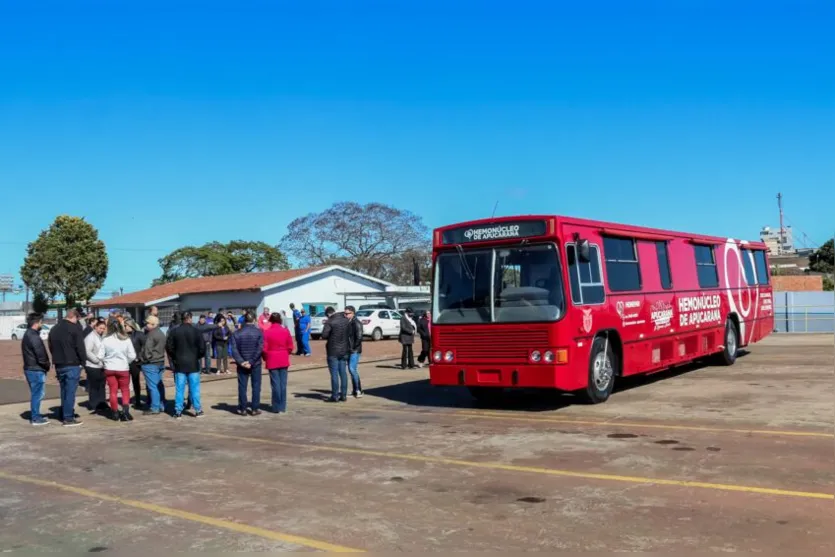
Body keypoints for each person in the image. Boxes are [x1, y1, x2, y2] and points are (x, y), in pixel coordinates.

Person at [48, 308, 87, 426]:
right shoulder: (75, 328)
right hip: (72, 363)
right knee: (70, 391)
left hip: (59, 363)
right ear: (74, 317)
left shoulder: (54, 329)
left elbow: (50, 345)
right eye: (77, 319)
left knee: (64, 390)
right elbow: (80, 347)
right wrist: (83, 362)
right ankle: (68, 417)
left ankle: (64, 412)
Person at [166, 311, 205, 418]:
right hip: (193, 364)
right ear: (190, 319)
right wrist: (196, 356)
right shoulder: (196, 331)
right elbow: (202, 348)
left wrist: (175, 357)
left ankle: (178, 411)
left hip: (179, 364)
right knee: (195, 388)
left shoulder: (174, 331)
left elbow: (169, 347)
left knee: (180, 389)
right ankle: (198, 410)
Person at [99, 320, 137, 422]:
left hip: (110, 368)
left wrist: (106, 361)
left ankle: (115, 413)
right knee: (125, 390)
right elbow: (133, 355)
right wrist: (126, 361)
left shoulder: (105, 339)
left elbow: (100, 356)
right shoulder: (126, 339)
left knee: (113, 391)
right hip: (123, 368)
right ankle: (125, 412)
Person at [231, 311, 265, 416]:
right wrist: (251, 361)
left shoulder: (236, 333)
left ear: (244, 320)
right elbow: (259, 349)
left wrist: (241, 362)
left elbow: (234, 350)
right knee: (256, 386)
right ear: (254, 320)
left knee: (242, 386)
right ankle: (255, 408)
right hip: (255, 363)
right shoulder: (259, 332)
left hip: (242, 363)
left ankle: (243, 408)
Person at [21, 312, 51, 426]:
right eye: (41, 322)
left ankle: (36, 415)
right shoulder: (33, 335)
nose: (42, 324)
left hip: (32, 368)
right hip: (35, 369)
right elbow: (40, 354)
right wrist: (46, 365)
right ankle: (35, 417)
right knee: (37, 394)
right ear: (37, 322)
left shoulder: (29, 334)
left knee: (37, 393)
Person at [263, 312, 294, 413]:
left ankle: (276, 406)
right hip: (283, 357)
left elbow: (264, 348)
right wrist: (285, 353)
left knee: (275, 383)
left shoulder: (266, 332)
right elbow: (290, 346)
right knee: (283, 384)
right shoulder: (285, 331)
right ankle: (282, 406)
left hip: (272, 358)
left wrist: (266, 357)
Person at [321, 306, 351, 402]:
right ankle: (344, 395)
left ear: (328, 314)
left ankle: (335, 396)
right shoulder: (345, 320)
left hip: (333, 350)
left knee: (334, 374)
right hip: (344, 350)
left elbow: (324, 335)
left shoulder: (330, 322)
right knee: (343, 373)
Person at [140, 315, 167, 415]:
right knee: (159, 384)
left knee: (153, 386)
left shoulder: (151, 334)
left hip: (151, 363)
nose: (146, 325)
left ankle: (155, 407)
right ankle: (161, 405)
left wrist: (143, 359)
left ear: (152, 324)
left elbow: (147, 350)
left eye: (147, 323)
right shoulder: (161, 333)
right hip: (160, 361)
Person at [83, 317, 108, 414]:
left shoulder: (101, 336)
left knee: (102, 385)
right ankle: (94, 404)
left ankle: (102, 403)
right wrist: (96, 360)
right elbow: (87, 351)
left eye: (103, 328)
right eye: (100, 328)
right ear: (96, 327)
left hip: (102, 366)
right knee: (94, 386)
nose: (102, 330)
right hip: (92, 365)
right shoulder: (90, 337)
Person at [125, 317, 146, 409]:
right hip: (125, 362)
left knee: (135, 381)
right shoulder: (123, 335)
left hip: (135, 362)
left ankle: (137, 400)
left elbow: (145, 346)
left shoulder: (139, 334)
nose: (124, 327)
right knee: (125, 382)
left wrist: (140, 356)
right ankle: (126, 400)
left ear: (131, 325)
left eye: (126, 325)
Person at [345, 306, 364, 398]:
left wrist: (353, 348)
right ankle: (355, 389)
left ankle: (358, 390)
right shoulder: (348, 322)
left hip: (354, 350)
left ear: (353, 313)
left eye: (347, 313)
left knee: (352, 369)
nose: (345, 315)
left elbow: (359, 337)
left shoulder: (356, 323)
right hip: (349, 349)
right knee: (351, 369)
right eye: (345, 313)